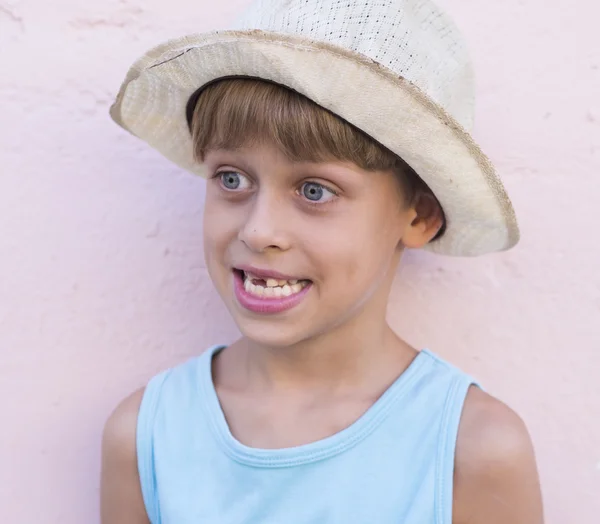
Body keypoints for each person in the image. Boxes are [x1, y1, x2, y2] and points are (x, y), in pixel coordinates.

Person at [101, 0, 544, 522]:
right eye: (232, 179)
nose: (258, 229)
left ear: (419, 215)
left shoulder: (473, 451)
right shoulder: (145, 437)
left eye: (315, 190)